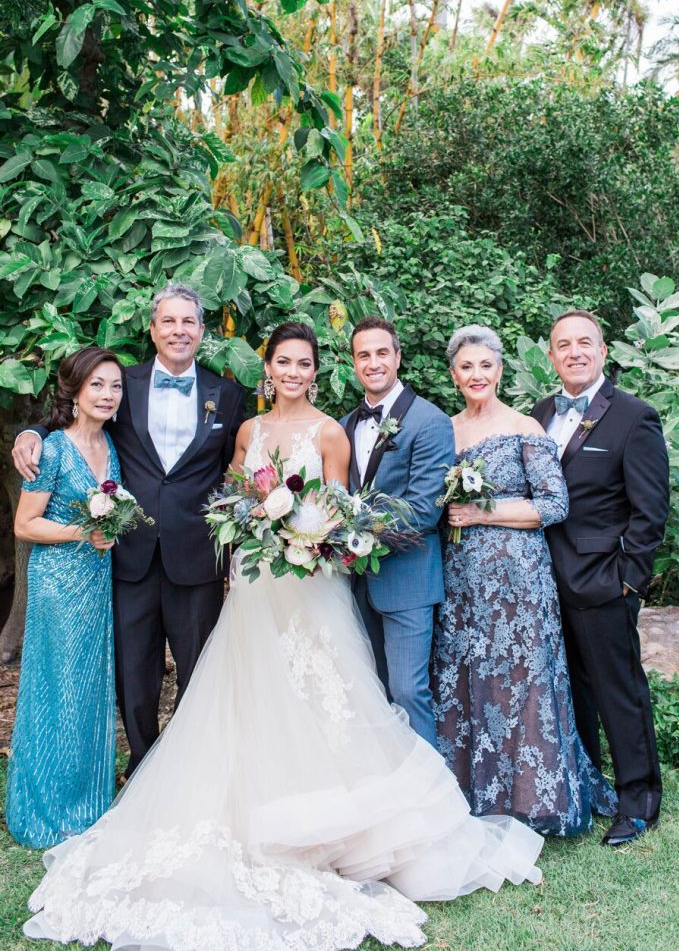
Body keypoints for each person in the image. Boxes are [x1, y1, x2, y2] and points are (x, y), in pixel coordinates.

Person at [22, 322, 543, 951]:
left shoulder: (331, 432)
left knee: (325, 691)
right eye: (283, 363)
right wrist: (251, 525)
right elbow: (233, 493)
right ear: (268, 370)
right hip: (252, 580)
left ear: (316, 372)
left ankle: (332, 816)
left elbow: (342, 506)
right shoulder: (247, 429)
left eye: (304, 364)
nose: (293, 373)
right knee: (248, 688)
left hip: (311, 580)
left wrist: (306, 537)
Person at [12, 283, 245, 776]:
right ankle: (141, 766)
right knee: (133, 674)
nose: (179, 330)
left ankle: (186, 769)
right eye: (169, 321)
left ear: (201, 331)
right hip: (126, 554)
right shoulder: (122, 384)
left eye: (189, 322)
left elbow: (232, 473)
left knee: (197, 670)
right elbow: (73, 418)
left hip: (197, 559)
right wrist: (30, 433)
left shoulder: (228, 395)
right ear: (153, 328)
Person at [431, 325, 617, 836]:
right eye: (466, 367)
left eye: (485, 366)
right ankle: (468, 793)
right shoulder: (442, 430)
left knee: (521, 681)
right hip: (462, 578)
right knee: (464, 676)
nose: (476, 375)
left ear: (499, 370)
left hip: (519, 579)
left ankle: (535, 798)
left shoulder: (525, 429)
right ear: (454, 374)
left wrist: (483, 512)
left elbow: (555, 505)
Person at [532, 309, 669, 846]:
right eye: (563, 345)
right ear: (552, 357)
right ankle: (590, 787)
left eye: (584, 342)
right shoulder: (540, 413)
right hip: (544, 582)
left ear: (603, 351)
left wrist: (627, 582)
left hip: (603, 583)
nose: (574, 352)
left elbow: (649, 510)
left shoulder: (634, 417)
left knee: (619, 691)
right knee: (571, 693)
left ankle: (639, 802)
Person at [6, 347, 123, 848]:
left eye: (115, 386)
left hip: (98, 580)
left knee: (92, 684)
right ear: (75, 392)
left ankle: (88, 799)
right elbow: (24, 523)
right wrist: (84, 531)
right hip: (58, 583)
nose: (107, 394)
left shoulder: (110, 444)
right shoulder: (52, 448)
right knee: (60, 685)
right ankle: (49, 804)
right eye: (97, 385)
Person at [340, 316, 454, 747]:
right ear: (354, 363)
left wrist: (349, 530)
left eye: (381, 353)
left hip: (406, 580)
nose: (373, 363)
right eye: (363, 355)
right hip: (353, 583)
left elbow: (425, 510)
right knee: (368, 692)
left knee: (409, 690)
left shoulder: (430, 421)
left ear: (398, 357)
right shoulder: (345, 423)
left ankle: (431, 798)